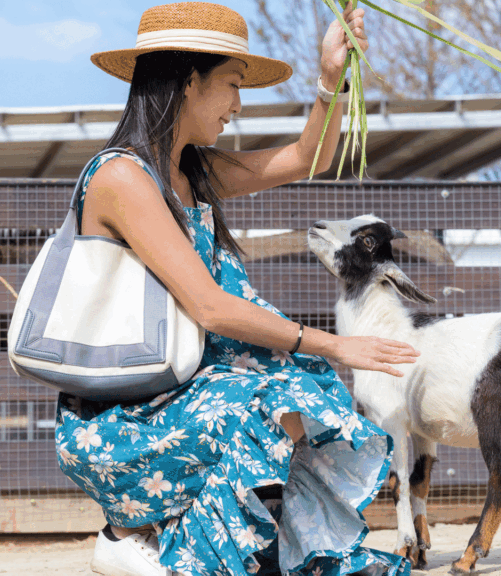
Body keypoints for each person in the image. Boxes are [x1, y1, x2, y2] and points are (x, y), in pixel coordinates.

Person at [56, 3, 419, 576]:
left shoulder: (192, 170)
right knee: (268, 402)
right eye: (231, 84)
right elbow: (208, 305)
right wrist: (334, 343)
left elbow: (309, 157)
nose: (238, 105)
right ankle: (132, 535)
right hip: (122, 420)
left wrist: (331, 79)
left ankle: (217, 546)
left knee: (300, 392)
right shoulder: (122, 176)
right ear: (186, 80)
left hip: (185, 395)